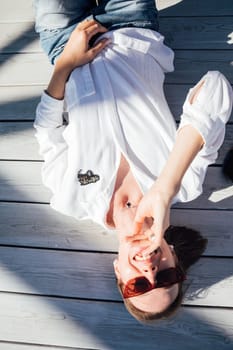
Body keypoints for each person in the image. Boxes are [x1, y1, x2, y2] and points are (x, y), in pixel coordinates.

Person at [33, 0, 233, 322]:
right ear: (174, 259)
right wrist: (164, 189)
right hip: (132, 25)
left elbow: (47, 131)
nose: (151, 270)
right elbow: (216, 87)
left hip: (63, 41)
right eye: (166, 277)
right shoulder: (185, 182)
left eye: (138, 284)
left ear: (118, 272)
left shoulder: (72, 198)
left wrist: (66, 64)